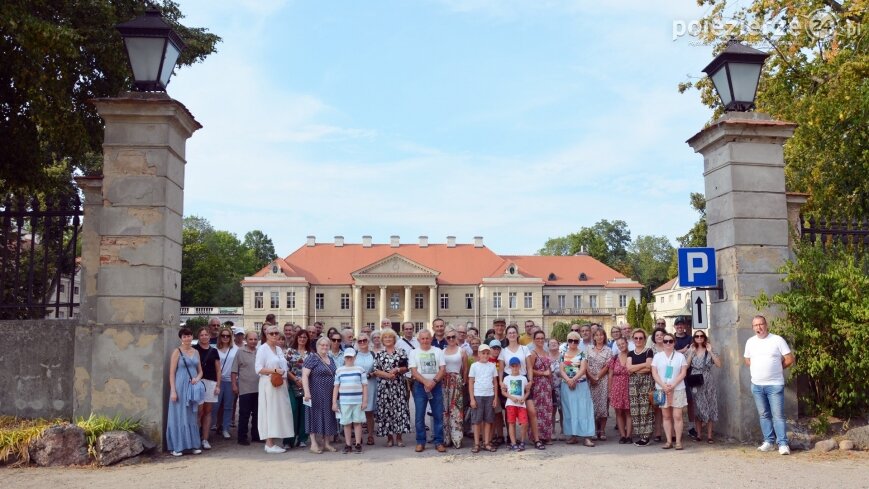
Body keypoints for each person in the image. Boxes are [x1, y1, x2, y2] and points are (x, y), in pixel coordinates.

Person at [744, 315, 794, 455]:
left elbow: (789, 359)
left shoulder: (777, 340)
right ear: (753, 327)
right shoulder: (750, 342)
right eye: (755, 325)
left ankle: (783, 443)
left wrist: (777, 368)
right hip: (757, 385)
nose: (759, 327)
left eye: (761, 324)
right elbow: (747, 360)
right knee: (764, 415)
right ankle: (768, 441)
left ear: (766, 325)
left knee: (778, 415)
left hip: (774, 384)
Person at [498, 324, 543, 450]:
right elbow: (501, 369)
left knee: (532, 412)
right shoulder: (503, 351)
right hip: (510, 380)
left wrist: (530, 381)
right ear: (506, 336)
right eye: (510, 333)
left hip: (523, 379)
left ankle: (536, 439)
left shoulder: (524, 349)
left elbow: (529, 367)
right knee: (510, 411)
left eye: (514, 332)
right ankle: (511, 440)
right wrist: (501, 382)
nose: (512, 334)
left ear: (517, 334)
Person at [255, 325, 294, 454]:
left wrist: (285, 380)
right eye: (271, 333)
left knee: (279, 412)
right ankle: (269, 443)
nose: (274, 335)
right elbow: (258, 369)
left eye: (276, 333)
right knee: (269, 412)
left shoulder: (278, 349)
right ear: (266, 335)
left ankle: (273, 442)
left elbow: (285, 368)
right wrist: (275, 370)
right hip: (268, 383)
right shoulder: (262, 349)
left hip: (280, 384)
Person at [167, 327, 203, 456]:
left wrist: (197, 379)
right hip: (180, 386)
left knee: (191, 415)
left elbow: (200, 371)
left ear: (192, 337)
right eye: (184, 336)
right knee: (179, 415)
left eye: (189, 336)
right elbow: (171, 373)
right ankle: (177, 446)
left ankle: (193, 444)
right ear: (181, 338)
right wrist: (173, 391)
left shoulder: (196, 352)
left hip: (192, 387)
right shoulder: (177, 352)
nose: (187, 338)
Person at [409, 329, 447, 453]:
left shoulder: (438, 351)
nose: (425, 340)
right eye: (423, 338)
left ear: (431, 339)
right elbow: (414, 371)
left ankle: (439, 442)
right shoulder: (414, 352)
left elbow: (442, 369)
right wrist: (426, 382)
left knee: (438, 415)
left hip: (436, 386)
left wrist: (433, 382)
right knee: (419, 416)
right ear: (419, 340)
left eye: (427, 338)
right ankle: (420, 442)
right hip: (420, 387)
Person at [373, 328, 412, 447]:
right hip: (384, 388)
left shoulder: (401, 352)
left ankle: (399, 437)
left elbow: (406, 367)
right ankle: (389, 438)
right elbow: (375, 370)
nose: (388, 339)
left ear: (394, 339)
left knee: (399, 411)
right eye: (385, 337)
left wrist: (397, 370)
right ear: (382, 340)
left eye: (390, 337)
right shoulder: (379, 354)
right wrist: (387, 375)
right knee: (386, 412)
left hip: (398, 386)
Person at [651, 333, 689, 450]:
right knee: (665, 415)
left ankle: (678, 441)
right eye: (665, 341)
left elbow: (683, 372)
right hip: (661, 389)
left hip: (678, 388)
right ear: (662, 343)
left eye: (670, 341)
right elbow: (654, 373)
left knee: (677, 416)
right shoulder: (657, 356)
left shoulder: (680, 356)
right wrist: (663, 385)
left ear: (674, 342)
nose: (668, 343)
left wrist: (672, 385)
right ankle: (668, 441)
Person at [303, 337, 339, 454]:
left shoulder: (331, 359)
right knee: (313, 416)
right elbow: (304, 376)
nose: (324, 347)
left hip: (329, 393)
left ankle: (326, 443)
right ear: (317, 346)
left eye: (327, 345)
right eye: (322, 345)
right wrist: (307, 392)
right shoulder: (312, 358)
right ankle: (313, 444)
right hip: (315, 392)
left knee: (328, 416)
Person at [559, 331, 595, 447]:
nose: (573, 343)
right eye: (570, 340)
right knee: (570, 410)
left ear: (579, 342)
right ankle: (573, 435)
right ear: (567, 341)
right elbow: (561, 370)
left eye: (576, 341)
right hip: (566, 385)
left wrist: (573, 379)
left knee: (584, 410)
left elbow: (583, 368)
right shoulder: (562, 354)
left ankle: (586, 437)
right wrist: (568, 380)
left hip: (580, 384)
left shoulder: (582, 353)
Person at [688, 330, 721, 443]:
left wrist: (710, 351)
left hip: (708, 380)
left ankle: (710, 435)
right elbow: (686, 365)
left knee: (711, 404)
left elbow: (718, 364)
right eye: (697, 336)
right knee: (698, 406)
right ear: (694, 338)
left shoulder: (710, 350)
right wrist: (691, 353)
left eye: (701, 336)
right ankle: (698, 434)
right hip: (695, 379)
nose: (699, 338)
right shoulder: (691, 350)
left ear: (705, 337)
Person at [333, 347, 368, 454]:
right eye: (347, 357)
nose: (349, 359)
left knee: (357, 422)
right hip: (344, 401)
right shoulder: (339, 370)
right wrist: (334, 402)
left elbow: (364, 386)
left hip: (357, 400)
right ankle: (348, 444)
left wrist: (365, 400)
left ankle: (358, 443)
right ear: (344, 357)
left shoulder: (360, 369)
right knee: (346, 423)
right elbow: (336, 387)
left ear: (355, 357)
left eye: (351, 357)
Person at [468, 343, 499, 453]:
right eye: (483, 353)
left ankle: (486, 442)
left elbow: (495, 383)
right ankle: (476, 443)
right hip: (478, 395)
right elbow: (471, 382)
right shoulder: (474, 366)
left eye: (487, 353)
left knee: (488, 420)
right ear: (479, 354)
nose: (485, 355)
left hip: (489, 395)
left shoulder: (492, 366)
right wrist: (472, 399)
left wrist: (495, 398)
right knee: (477, 421)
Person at [232, 331, 261, 446]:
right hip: (245, 388)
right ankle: (242, 437)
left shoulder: (259, 352)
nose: (253, 341)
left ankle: (256, 435)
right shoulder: (240, 352)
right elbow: (234, 370)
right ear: (246, 339)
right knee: (244, 413)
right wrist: (234, 384)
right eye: (251, 339)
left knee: (257, 414)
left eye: (255, 339)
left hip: (259, 388)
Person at [194, 328, 220, 450]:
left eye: (206, 335)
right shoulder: (194, 349)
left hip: (211, 382)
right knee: (199, 412)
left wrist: (218, 385)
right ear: (198, 337)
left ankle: (205, 438)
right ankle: (195, 437)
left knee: (208, 412)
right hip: (198, 382)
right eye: (201, 335)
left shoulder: (214, 351)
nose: (204, 337)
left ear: (209, 336)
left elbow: (218, 369)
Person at [442, 326, 468, 448]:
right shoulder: (442, 352)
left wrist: (463, 382)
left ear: (456, 337)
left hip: (457, 382)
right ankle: (446, 438)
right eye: (449, 337)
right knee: (445, 410)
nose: (451, 339)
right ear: (445, 338)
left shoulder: (461, 351)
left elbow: (465, 369)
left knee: (456, 410)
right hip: (444, 382)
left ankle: (457, 439)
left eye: (453, 336)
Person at [285, 329, 311, 448]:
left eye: (304, 337)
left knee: (304, 413)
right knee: (292, 412)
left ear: (307, 339)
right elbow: (286, 369)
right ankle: (288, 440)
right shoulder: (290, 352)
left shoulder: (311, 354)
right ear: (296, 338)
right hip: (292, 385)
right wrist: (295, 379)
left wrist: (304, 382)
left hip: (306, 387)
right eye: (300, 337)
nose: (302, 339)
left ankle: (302, 439)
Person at [628, 329, 654, 446]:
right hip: (633, 383)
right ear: (633, 339)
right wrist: (643, 365)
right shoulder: (630, 353)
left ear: (644, 339)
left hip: (646, 381)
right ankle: (639, 434)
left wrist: (635, 368)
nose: (638, 340)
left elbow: (649, 368)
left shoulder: (649, 351)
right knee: (635, 408)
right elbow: (629, 369)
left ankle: (646, 436)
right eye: (636, 338)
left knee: (646, 408)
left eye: (641, 338)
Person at [528, 330, 553, 445]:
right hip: (537, 385)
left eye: (542, 338)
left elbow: (550, 369)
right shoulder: (532, 353)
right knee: (537, 411)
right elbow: (530, 370)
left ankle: (546, 436)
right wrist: (543, 374)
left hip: (547, 386)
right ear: (534, 340)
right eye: (537, 338)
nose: (540, 340)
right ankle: (536, 437)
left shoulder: (546, 352)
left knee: (547, 410)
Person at [212, 326, 237, 439]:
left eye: (228, 336)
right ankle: (211, 425)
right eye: (223, 335)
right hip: (218, 381)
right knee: (215, 406)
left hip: (230, 380)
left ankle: (225, 428)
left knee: (228, 406)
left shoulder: (235, 349)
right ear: (220, 337)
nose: (225, 337)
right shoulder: (215, 349)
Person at [587, 328, 612, 441]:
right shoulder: (589, 349)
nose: (599, 337)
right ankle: (592, 430)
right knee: (591, 406)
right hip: (590, 380)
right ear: (594, 337)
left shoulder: (608, 350)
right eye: (597, 335)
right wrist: (592, 377)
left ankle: (602, 430)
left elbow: (607, 366)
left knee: (603, 405)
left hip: (602, 380)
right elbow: (585, 364)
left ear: (604, 337)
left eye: (601, 335)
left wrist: (597, 377)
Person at [353, 332, 378, 446]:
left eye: (364, 340)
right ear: (357, 343)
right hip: (356, 385)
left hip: (370, 384)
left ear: (368, 342)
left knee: (369, 412)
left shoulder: (373, 354)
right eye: (360, 341)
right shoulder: (354, 355)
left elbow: (377, 369)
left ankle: (370, 435)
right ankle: (359, 437)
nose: (362, 342)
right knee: (357, 410)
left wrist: (371, 374)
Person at [502, 357, 531, 451]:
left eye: (516, 365)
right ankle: (513, 443)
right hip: (510, 404)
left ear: (519, 366)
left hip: (521, 405)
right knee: (511, 423)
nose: (515, 367)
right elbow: (503, 392)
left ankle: (522, 441)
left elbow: (527, 391)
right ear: (510, 367)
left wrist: (524, 398)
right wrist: (511, 397)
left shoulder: (523, 378)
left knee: (524, 423)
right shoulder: (506, 378)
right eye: (513, 366)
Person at [609, 337, 632, 444]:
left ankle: (629, 435)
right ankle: (622, 435)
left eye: (623, 343)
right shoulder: (614, 358)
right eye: (619, 344)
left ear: (626, 343)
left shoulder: (633, 355)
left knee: (628, 411)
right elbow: (610, 374)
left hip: (629, 385)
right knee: (618, 412)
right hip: (617, 386)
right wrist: (610, 390)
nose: (621, 346)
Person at [548, 338, 563, 439]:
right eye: (551, 343)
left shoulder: (564, 357)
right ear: (548, 346)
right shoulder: (546, 357)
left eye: (555, 343)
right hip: (550, 388)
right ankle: (552, 431)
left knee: (562, 410)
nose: (553, 344)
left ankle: (563, 431)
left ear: (559, 345)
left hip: (562, 386)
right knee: (552, 410)